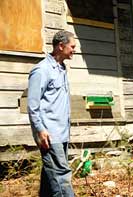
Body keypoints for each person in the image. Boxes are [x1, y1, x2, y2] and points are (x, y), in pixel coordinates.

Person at [28, 30, 76, 197]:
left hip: (62, 133)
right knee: (62, 178)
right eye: (72, 46)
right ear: (61, 46)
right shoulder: (41, 70)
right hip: (50, 134)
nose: (74, 50)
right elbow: (32, 105)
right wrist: (40, 130)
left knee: (50, 178)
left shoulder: (61, 69)